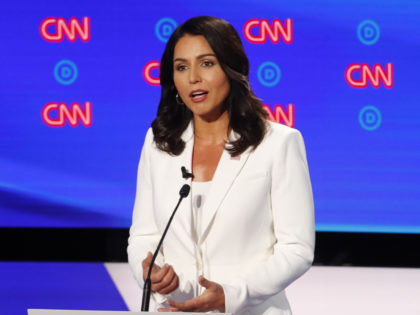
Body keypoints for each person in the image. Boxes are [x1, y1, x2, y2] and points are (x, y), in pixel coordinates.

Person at [127, 16, 315, 314]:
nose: (193, 78)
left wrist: (232, 294)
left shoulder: (278, 143)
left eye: (207, 63)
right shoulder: (159, 142)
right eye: (181, 67)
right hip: (174, 307)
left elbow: (297, 249)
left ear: (232, 68)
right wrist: (152, 273)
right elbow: (142, 237)